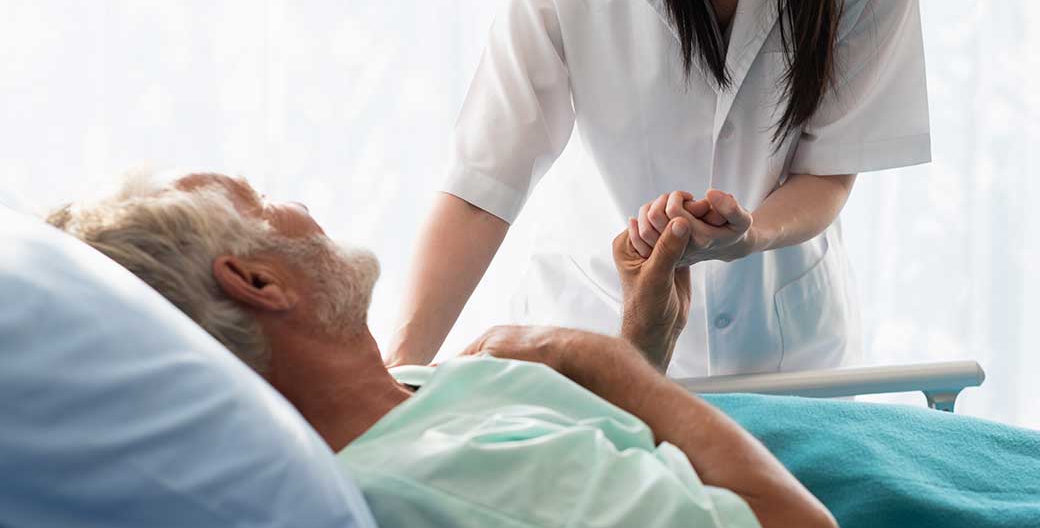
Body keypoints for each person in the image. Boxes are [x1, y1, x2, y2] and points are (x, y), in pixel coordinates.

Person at [47, 171, 835, 528]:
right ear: (257, 280)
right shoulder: (444, 480)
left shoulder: (417, 399)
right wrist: (603, 363)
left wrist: (643, 336)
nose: (300, 201)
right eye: (260, 199)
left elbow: (604, 463)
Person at [387, 0, 931, 378]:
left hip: (783, 352)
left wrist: (750, 236)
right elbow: (483, 185)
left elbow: (827, 172)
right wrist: (397, 374)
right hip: (590, 328)